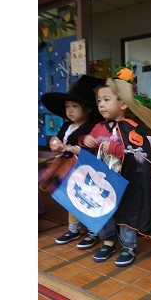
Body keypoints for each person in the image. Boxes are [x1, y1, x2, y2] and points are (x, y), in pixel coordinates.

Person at [79, 67, 151, 267]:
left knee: (127, 211)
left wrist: (115, 148)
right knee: (103, 210)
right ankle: (108, 241)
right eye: (99, 100)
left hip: (126, 183)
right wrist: (84, 139)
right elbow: (87, 149)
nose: (101, 104)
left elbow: (140, 156)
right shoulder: (99, 127)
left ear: (123, 103)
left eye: (107, 99)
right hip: (101, 182)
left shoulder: (132, 128)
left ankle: (128, 246)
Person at [40, 75, 105, 249]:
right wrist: (54, 143)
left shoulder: (91, 128)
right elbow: (58, 141)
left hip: (84, 170)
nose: (70, 110)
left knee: (87, 199)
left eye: (74, 106)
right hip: (66, 169)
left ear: (88, 109)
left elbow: (89, 150)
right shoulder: (66, 126)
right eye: (67, 106)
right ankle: (73, 228)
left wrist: (68, 147)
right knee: (71, 199)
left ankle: (92, 231)